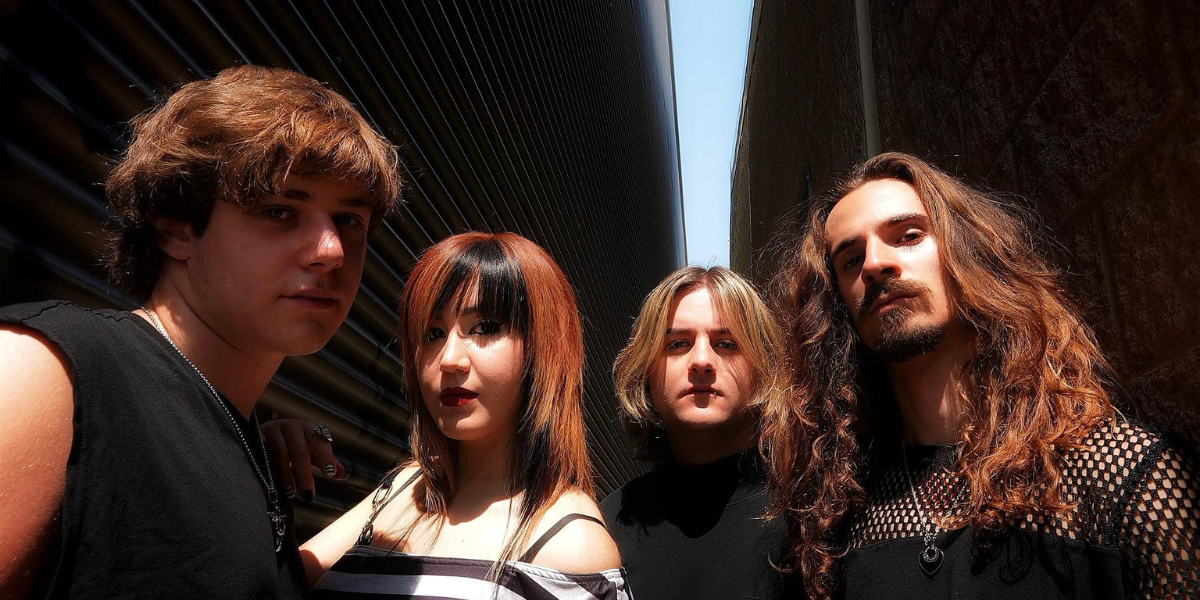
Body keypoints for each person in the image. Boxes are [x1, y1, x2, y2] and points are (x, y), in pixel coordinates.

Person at [0, 65, 401, 599]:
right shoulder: (49, 374)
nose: (331, 251)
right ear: (175, 227)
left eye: (349, 220)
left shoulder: (247, 439)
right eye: (279, 210)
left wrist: (408, 488)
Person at [762, 151, 1200, 599]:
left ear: (968, 254)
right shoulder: (834, 522)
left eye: (908, 235)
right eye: (851, 260)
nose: (874, 263)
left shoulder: (1122, 475)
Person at [301, 232, 629, 599]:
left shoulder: (572, 543)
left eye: (485, 328)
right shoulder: (406, 488)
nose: (449, 359)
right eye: (433, 333)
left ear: (543, 348)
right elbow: (271, 585)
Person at [601, 266, 801, 599]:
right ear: (645, 371)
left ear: (763, 369)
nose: (702, 360)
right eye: (678, 344)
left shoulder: (812, 509)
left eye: (727, 344)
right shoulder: (606, 527)